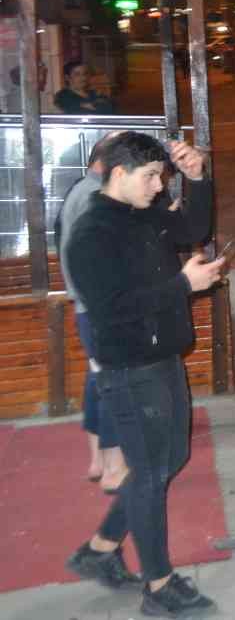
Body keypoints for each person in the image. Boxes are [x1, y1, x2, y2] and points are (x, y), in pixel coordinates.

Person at [65, 132, 221, 616]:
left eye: (163, 176)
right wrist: (182, 284)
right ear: (118, 175)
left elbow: (191, 226)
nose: (159, 186)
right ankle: (158, 586)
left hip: (163, 358)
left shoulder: (142, 213)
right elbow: (112, 313)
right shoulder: (91, 235)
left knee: (169, 457)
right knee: (151, 474)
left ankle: (101, 548)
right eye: (151, 176)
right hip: (130, 368)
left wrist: (196, 178)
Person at [56, 133, 128, 491]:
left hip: (87, 305)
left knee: (97, 380)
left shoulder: (78, 190)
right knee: (112, 382)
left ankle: (98, 459)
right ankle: (113, 467)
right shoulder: (91, 198)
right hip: (96, 308)